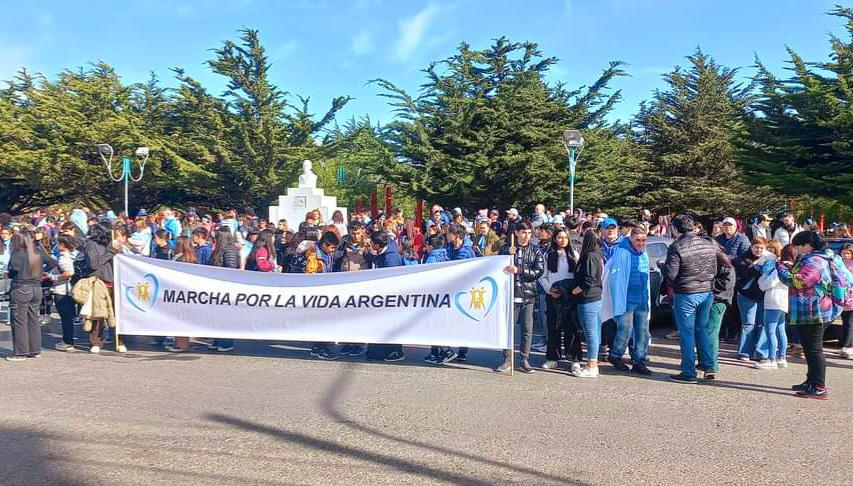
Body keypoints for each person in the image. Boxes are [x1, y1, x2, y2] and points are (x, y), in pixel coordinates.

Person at [775, 231, 841, 399]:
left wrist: (781, 269)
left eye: (798, 245)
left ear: (808, 245)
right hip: (809, 310)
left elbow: (799, 281)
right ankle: (811, 381)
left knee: (814, 350)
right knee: (809, 348)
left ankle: (819, 386)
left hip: (815, 311)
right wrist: (789, 266)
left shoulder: (816, 261)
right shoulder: (811, 259)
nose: (796, 249)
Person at [662, 214, 717, 384]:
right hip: (706, 290)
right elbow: (714, 269)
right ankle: (709, 366)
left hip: (686, 292)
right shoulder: (708, 243)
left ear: (675, 228)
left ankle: (688, 371)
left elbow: (671, 275)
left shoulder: (676, 246)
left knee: (686, 332)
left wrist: (662, 267)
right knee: (702, 329)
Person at [493, 221, 545, 373]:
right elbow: (497, 267)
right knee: (508, 328)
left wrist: (520, 270)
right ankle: (507, 359)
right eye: (523, 232)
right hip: (510, 294)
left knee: (527, 329)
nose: (526, 236)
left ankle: (524, 358)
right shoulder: (506, 248)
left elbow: (538, 271)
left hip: (528, 295)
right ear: (516, 233)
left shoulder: (536, 250)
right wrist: (507, 254)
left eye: (529, 233)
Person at [601, 226, 653, 375]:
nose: (641, 243)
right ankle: (616, 355)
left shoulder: (644, 253)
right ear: (631, 238)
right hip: (627, 299)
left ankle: (639, 361)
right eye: (638, 240)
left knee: (643, 332)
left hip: (642, 299)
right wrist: (618, 301)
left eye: (644, 240)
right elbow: (615, 279)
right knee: (625, 330)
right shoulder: (622, 253)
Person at [5, 230, 57, 361]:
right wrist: (43, 272)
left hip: (21, 287)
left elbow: (13, 271)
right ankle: (35, 350)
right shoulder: (37, 252)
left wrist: (9, 274)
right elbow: (53, 262)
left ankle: (21, 352)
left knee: (19, 320)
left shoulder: (17, 254)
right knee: (33, 319)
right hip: (36, 287)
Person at [538, 228, 582, 373]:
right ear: (555, 239)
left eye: (565, 237)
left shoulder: (574, 254)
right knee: (554, 328)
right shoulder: (548, 255)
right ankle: (552, 358)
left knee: (572, 328)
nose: (562, 240)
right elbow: (542, 276)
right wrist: (549, 289)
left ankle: (574, 359)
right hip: (554, 296)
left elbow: (578, 275)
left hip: (570, 296)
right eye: (559, 237)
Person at [365, 230, 405, 362]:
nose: (370, 245)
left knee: (391, 323)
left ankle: (395, 351)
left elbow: (390, 278)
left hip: (391, 296)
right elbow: (377, 260)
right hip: (385, 295)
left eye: (372, 243)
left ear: (377, 245)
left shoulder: (391, 258)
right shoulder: (386, 253)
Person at [571, 229, 604, 378]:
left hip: (588, 298)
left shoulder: (590, 256)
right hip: (595, 297)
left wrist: (575, 291)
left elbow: (589, 280)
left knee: (591, 333)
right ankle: (592, 362)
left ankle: (592, 365)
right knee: (595, 331)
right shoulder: (598, 254)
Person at [732, 237, 770, 362]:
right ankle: (744, 352)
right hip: (746, 294)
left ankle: (761, 353)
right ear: (751, 247)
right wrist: (757, 266)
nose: (758, 250)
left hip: (764, 295)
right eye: (756, 247)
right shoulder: (741, 259)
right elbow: (746, 272)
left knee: (762, 324)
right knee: (748, 323)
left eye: (761, 248)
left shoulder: (769, 259)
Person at [702, 245, 736, 380]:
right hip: (707, 299)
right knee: (704, 332)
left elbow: (726, 285)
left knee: (711, 333)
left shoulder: (725, 264)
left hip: (718, 301)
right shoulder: (707, 262)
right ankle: (705, 361)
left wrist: (707, 284)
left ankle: (711, 366)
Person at [755, 240, 790, 369]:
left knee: (770, 331)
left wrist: (762, 279)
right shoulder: (789, 267)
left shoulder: (778, 267)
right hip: (783, 301)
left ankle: (771, 359)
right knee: (781, 330)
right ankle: (782, 357)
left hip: (773, 301)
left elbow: (766, 284)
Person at [208, 226, 241, 352]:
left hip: (225, 286)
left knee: (225, 316)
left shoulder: (230, 250)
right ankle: (217, 340)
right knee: (216, 315)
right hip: (216, 285)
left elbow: (231, 268)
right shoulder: (218, 250)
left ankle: (227, 342)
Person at [51, 235, 83, 352]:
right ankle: (68, 340)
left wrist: (54, 277)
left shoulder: (64, 258)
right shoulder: (78, 255)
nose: (57, 245)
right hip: (72, 289)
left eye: (58, 243)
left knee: (65, 317)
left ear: (64, 245)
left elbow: (69, 272)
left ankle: (68, 341)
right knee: (69, 316)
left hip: (62, 289)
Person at [166, 236, 198, 353]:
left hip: (179, 290)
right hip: (187, 292)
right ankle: (179, 343)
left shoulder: (180, 258)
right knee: (181, 318)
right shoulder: (192, 257)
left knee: (179, 318)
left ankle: (182, 345)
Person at [839, 243, 853, 359]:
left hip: (851, 296)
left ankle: (847, 345)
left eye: (848, 253)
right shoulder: (838, 263)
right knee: (845, 322)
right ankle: (846, 344)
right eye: (843, 252)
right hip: (841, 296)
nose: (845, 255)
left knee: (849, 322)